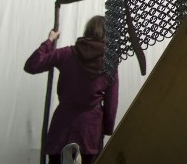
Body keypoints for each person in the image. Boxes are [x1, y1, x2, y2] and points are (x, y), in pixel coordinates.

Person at [24, 16, 119, 164]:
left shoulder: (67, 53)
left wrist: (49, 41)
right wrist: (107, 128)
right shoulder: (110, 63)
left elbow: (32, 65)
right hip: (90, 130)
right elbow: (111, 102)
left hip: (62, 125)